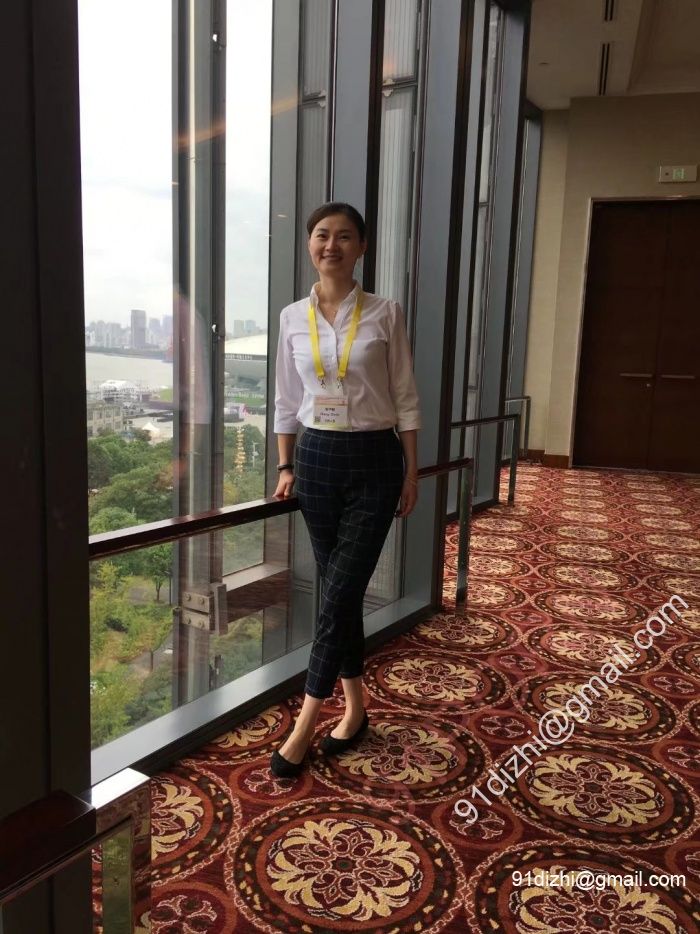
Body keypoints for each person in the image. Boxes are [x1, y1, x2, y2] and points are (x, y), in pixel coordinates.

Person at [270, 201, 421, 777]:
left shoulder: (385, 313)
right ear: (309, 244)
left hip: (376, 459)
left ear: (361, 247)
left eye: (344, 236)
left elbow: (405, 395)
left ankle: (306, 721)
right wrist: (286, 465)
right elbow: (287, 399)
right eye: (321, 235)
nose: (330, 245)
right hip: (317, 460)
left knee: (337, 592)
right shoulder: (291, 317)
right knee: (342, 590)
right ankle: (355, 710)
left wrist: (411, 471)